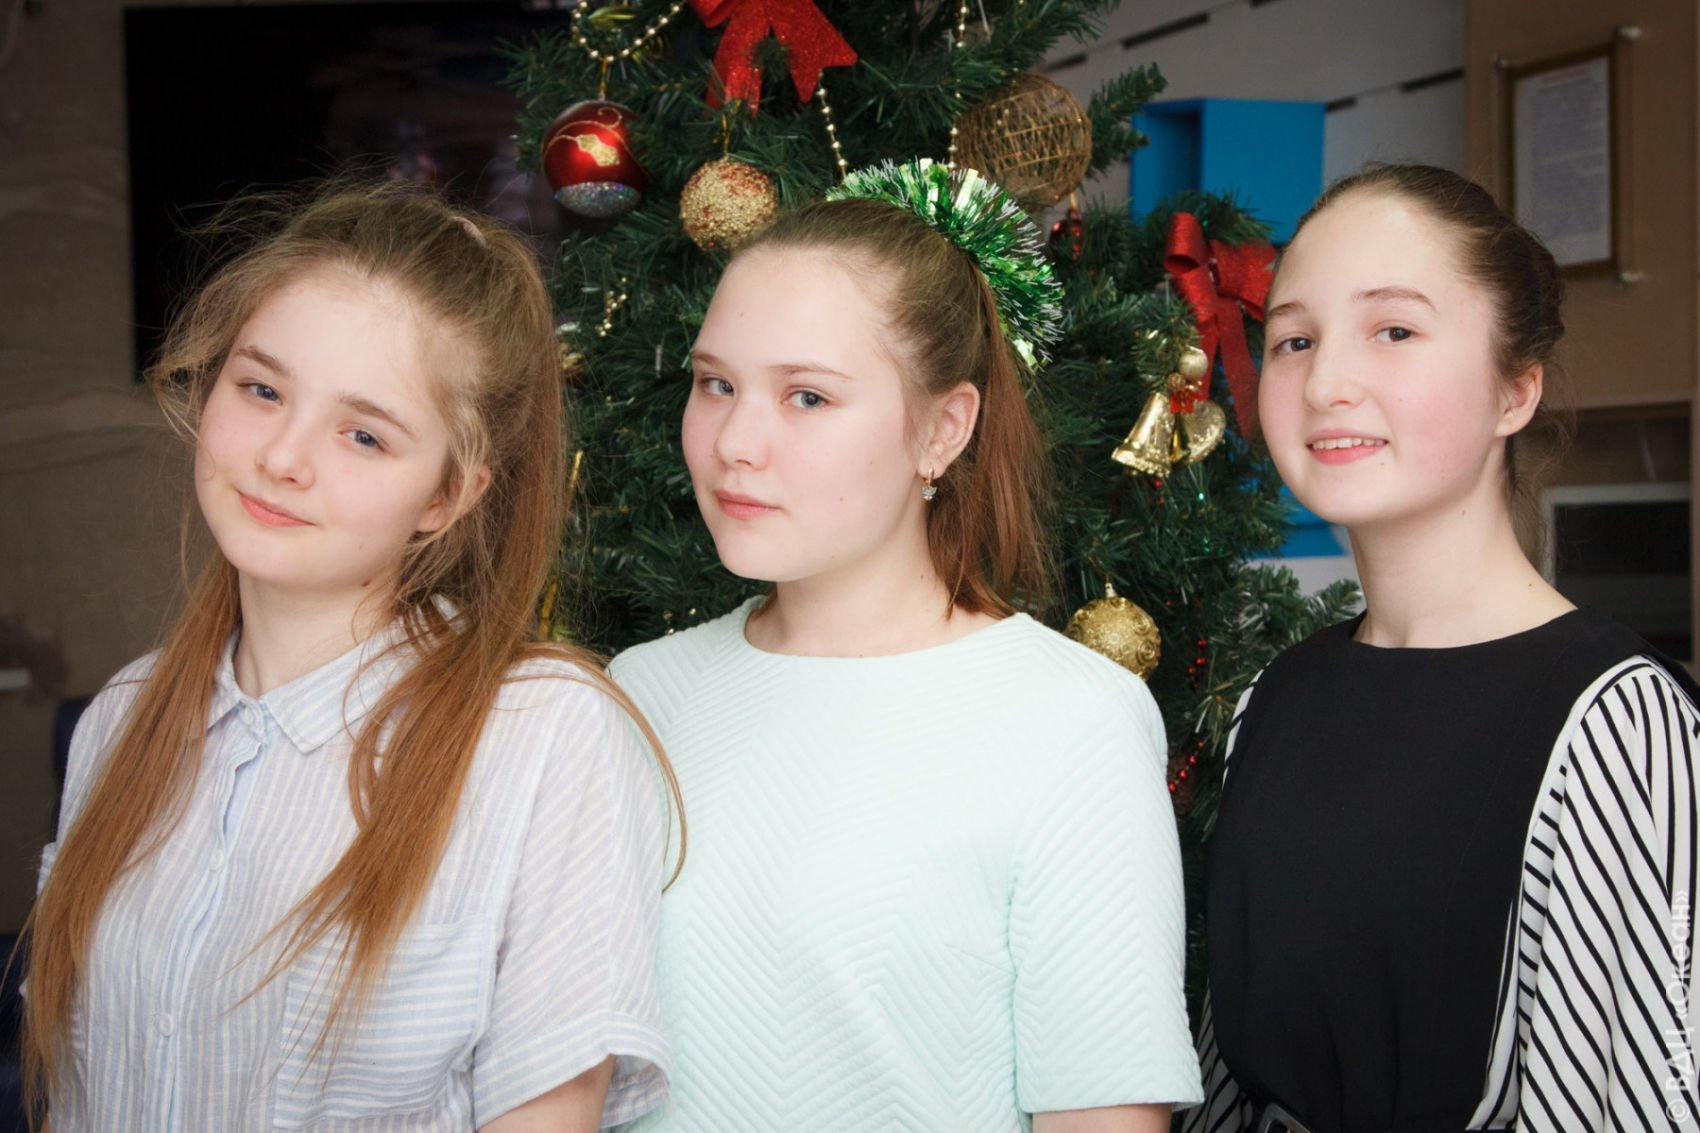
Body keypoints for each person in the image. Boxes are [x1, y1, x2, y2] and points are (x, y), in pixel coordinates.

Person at [24, 185, 680, 1132]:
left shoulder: (544, 734)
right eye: (262, 389)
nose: (283, 457)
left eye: (364, 434)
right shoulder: (121, 718)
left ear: (447, 496)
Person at [609, 159, 1202, 1132]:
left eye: (807, 396)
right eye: (716, 384)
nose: (735, 442)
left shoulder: (1070, 720)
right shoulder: (639, 692)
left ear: (942, 428)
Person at [1185, 163, 1700, 1133]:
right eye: (1294, 339)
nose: (1325, 382)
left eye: (1393, 330)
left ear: (1514, 391)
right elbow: (1226, 1078)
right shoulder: (1274, 697)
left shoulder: (1616, 723)